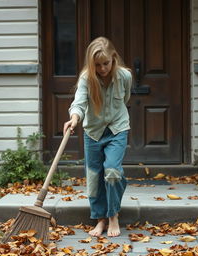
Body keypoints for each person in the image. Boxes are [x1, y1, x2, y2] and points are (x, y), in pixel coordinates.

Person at [63, 37, 132, 237]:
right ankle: (100, 219)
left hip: (117, 129)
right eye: (98, 65)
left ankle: (113, 216)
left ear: (114, 58)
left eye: (106, 63)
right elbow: (79, 102)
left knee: (111, 171)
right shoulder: (87, 78)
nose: (102, 69)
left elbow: (125, 99)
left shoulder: (125, 76)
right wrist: (74, 119)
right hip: (93, 132)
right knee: (94, 178)